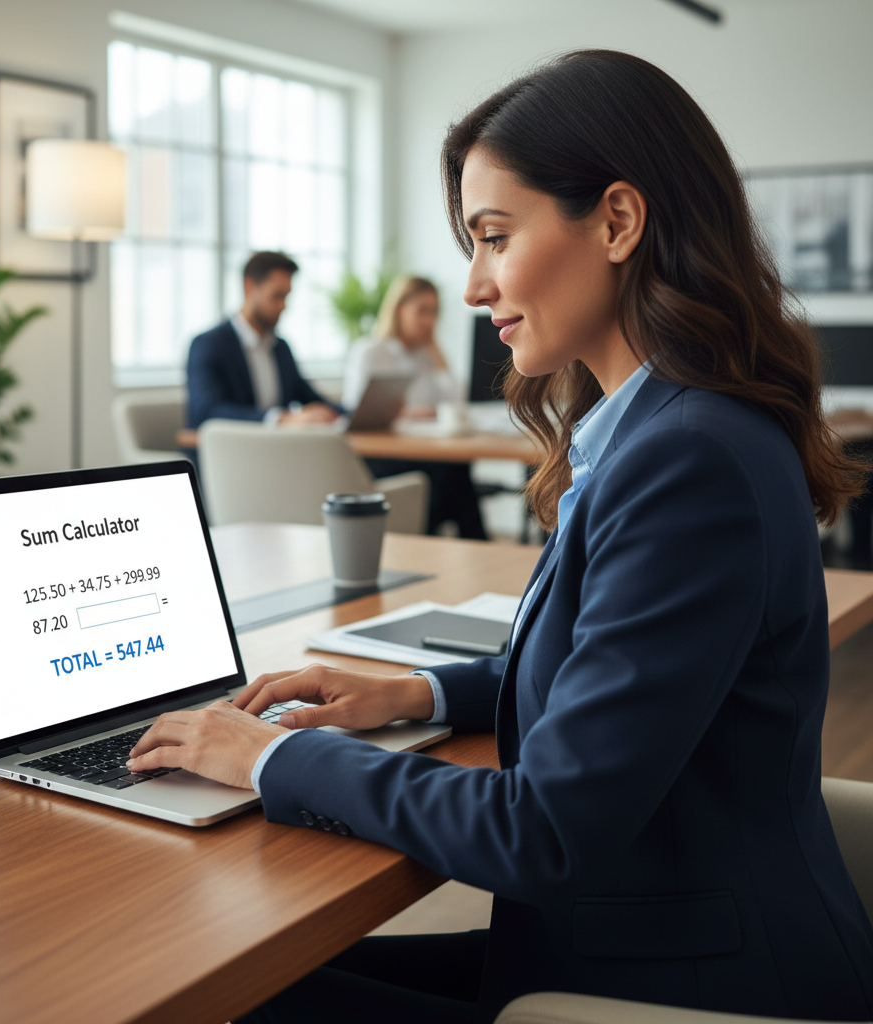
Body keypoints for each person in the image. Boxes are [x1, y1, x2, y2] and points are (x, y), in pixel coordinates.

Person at [127, 50, 873, 1023]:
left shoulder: (689, 460)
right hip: (641, 927)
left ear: (616, 220)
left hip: (681, 982)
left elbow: (542, 831)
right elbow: (611, 665)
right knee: (252, 983)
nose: (474, 286)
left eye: (492, 236)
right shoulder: (674, 429)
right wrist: (410, 691)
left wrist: (266, 757)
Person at [343, 275, 488, 540]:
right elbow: (355, 413)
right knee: (453, 475)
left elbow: (457, 403)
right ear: (399, 309)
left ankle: (455, 539)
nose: (429, 321)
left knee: (455, 470)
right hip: (382, 455)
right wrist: (405, 414)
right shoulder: (371, 352)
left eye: (433, 313)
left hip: (423, 450)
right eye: (422, 311)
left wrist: (437, 353)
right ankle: (469, 540)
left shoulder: (425, 355)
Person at [186, 251, 341, 429]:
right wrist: (281, 419)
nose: (283, 306)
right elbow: (207, 410)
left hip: (276, 451)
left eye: (286, 296)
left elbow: (310, 398)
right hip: (228, 452)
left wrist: (351, 415)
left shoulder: (279, 347)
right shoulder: (208, 345)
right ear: (249, 287)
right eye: (276, 296)